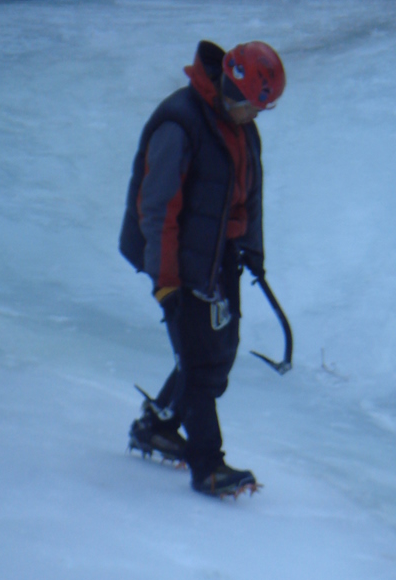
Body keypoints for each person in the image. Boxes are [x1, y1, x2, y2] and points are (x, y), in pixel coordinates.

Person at [119, 39, 286, 497]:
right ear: (233, 88)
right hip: (177, 255)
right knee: (198, 360)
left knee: (220, 350)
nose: (257, 115)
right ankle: (208, 465)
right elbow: (157, 210)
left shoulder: (242, 127)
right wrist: (167, 282)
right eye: (255, 105)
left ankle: (156, 426)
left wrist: (252, 252)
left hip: (218, 253)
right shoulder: (181, 123)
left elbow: (249, 198)